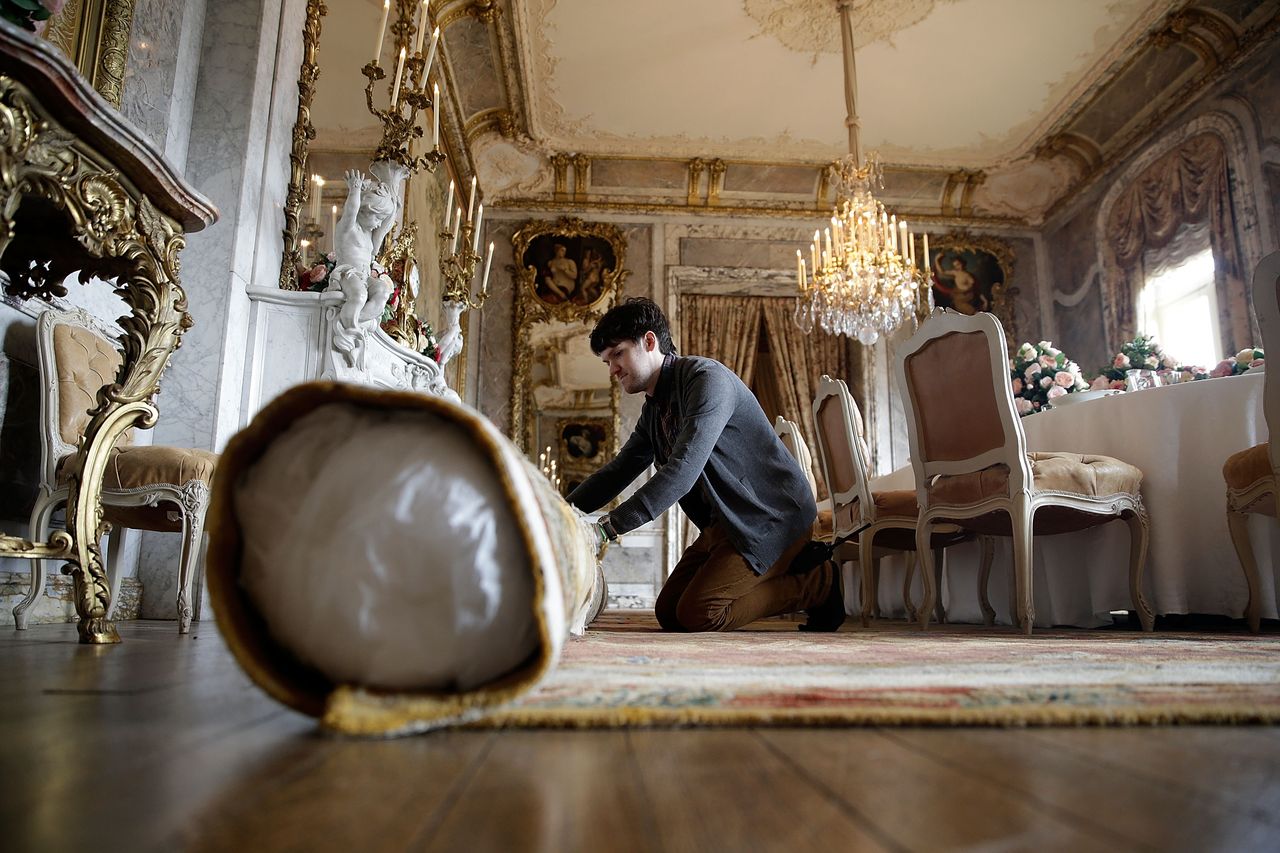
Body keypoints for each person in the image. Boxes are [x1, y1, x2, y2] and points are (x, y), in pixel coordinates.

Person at [566, 298, 843, 632]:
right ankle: (788, 572)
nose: (612, 369)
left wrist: (606, 529)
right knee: (669, 613)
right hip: (725, 524)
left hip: (772, 519)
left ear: (650, 342)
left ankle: (818, 582)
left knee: (700, 614)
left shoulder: (707, 380)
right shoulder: (653, 410)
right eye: (607, 361)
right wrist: (559, 511)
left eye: (617, 354)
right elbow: (619, 470)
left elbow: (683, 469)